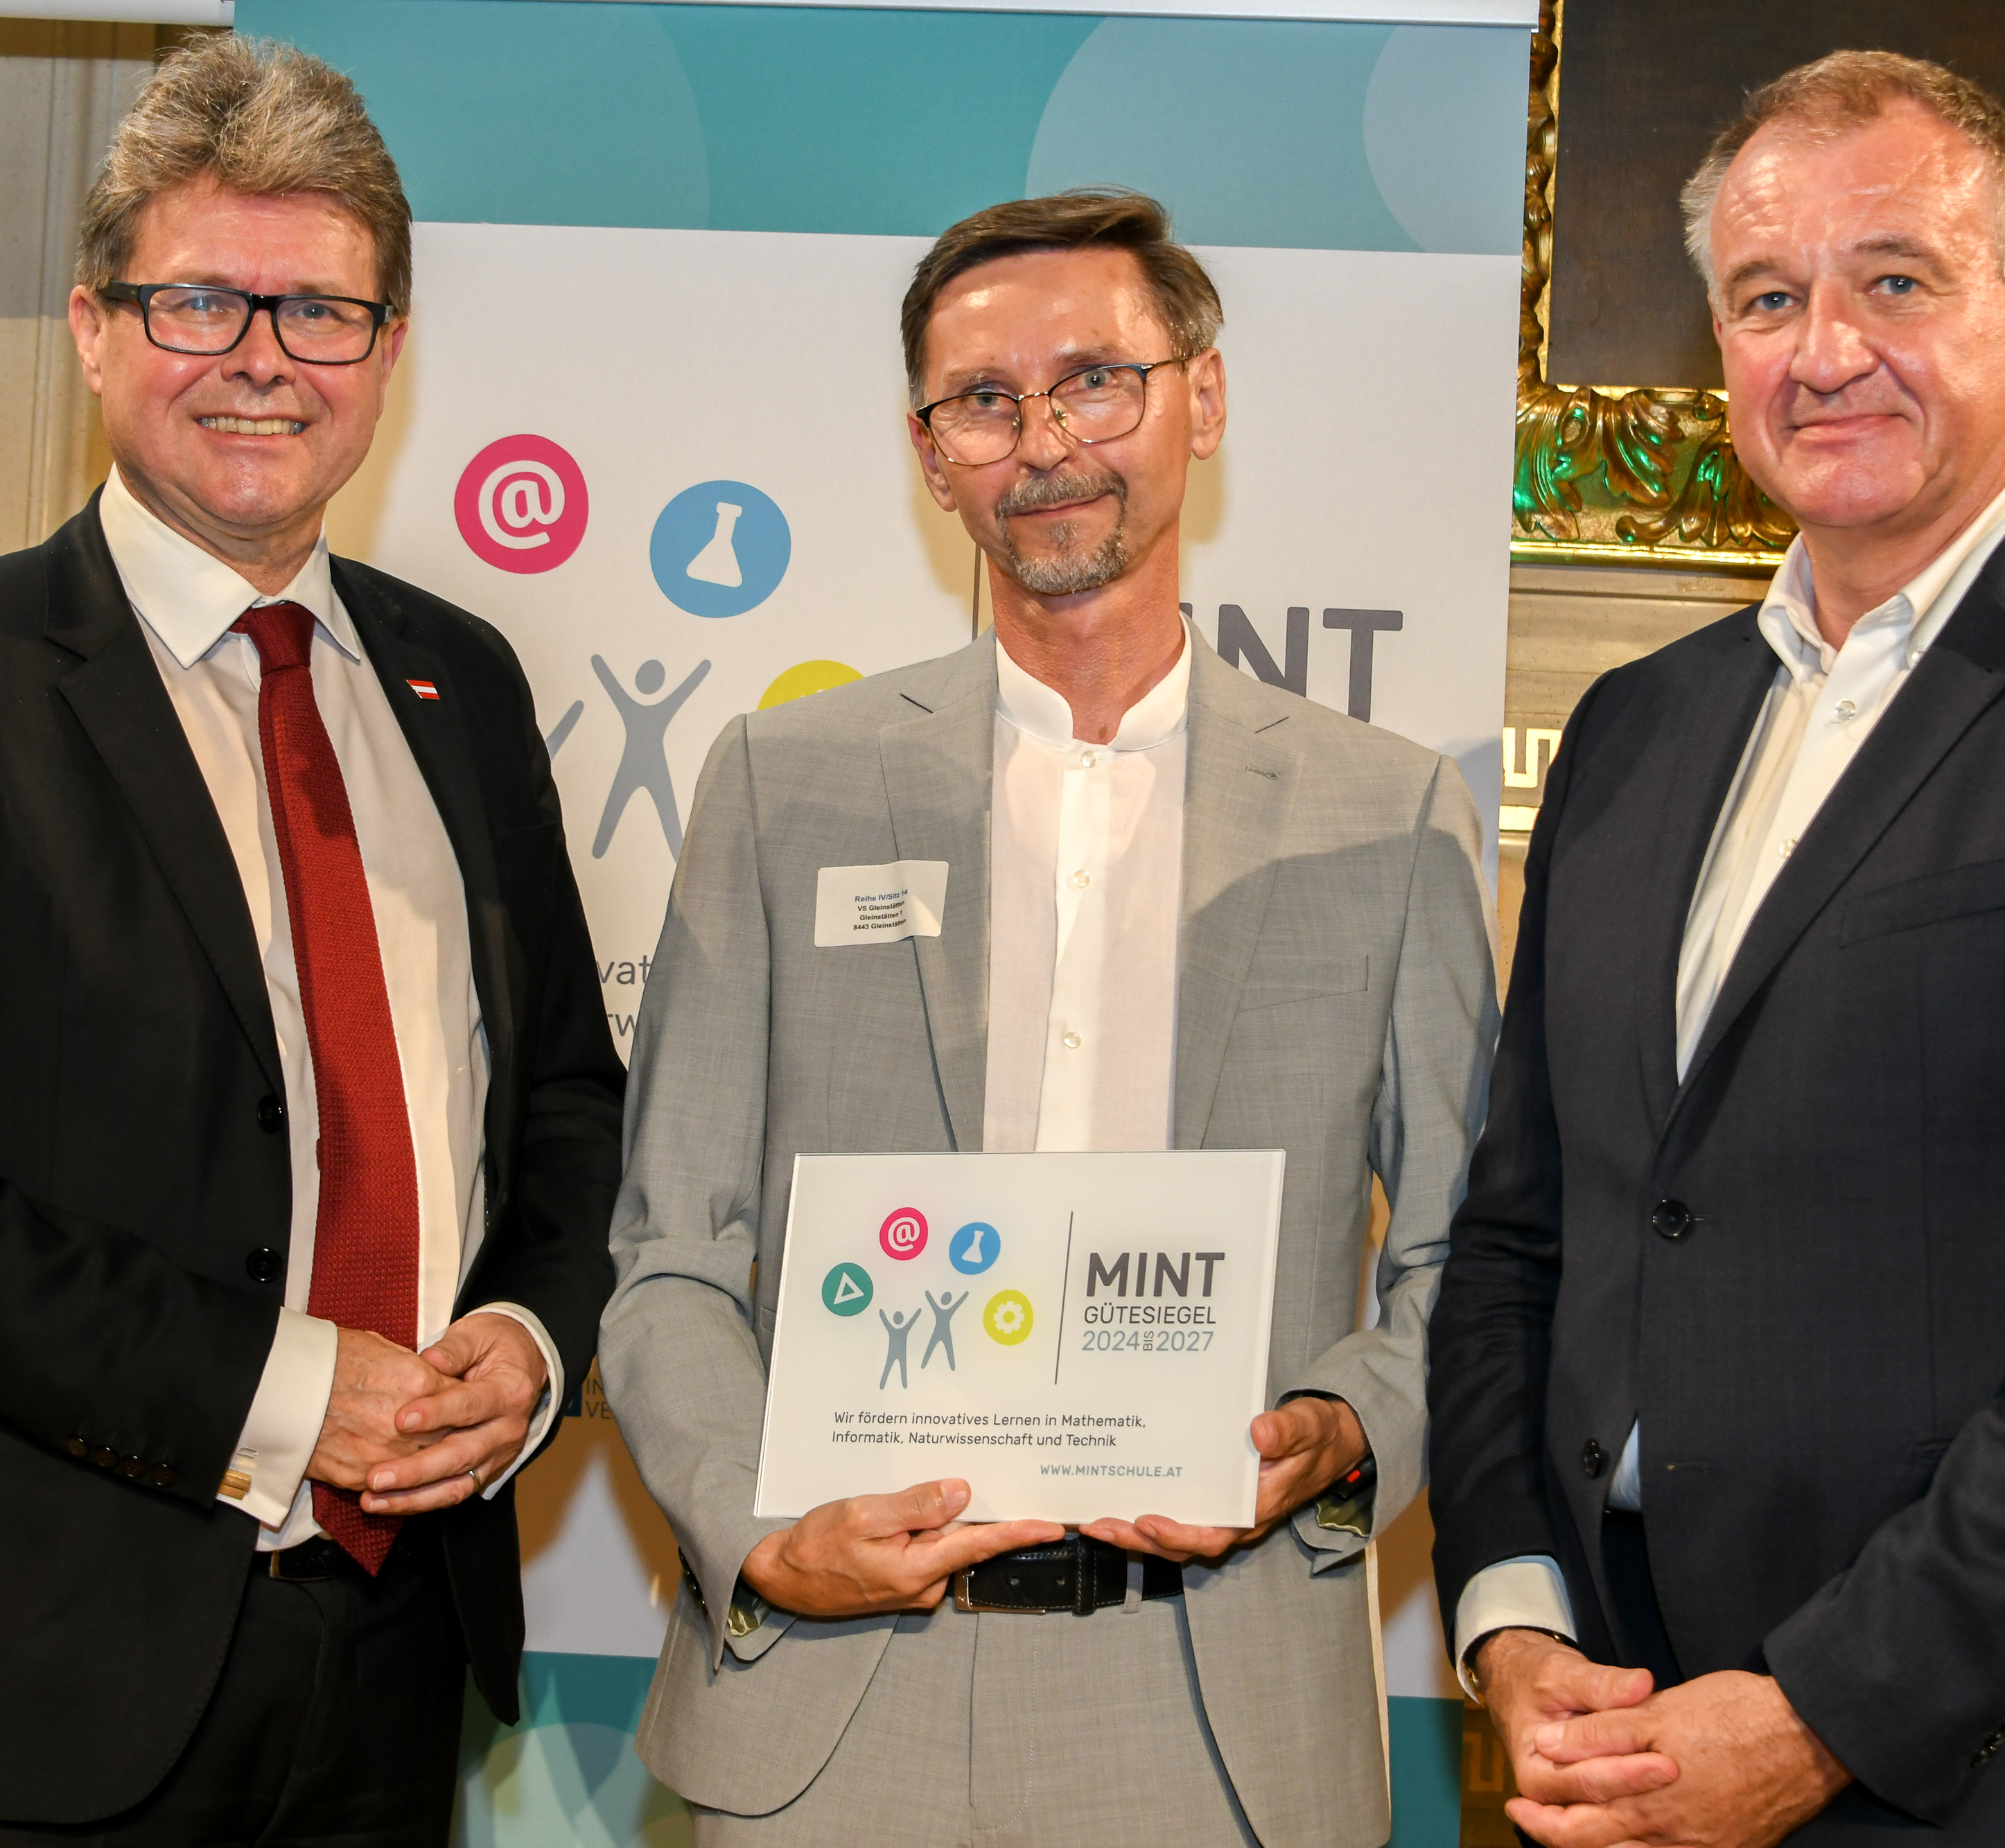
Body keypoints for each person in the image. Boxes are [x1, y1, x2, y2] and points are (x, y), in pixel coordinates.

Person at [1427, 50, 2005, 1848]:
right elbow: (1521, 1239)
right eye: (1765, 297)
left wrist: (1822, 1711)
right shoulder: (1634, 729)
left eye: (1893, 280)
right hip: (1626, 1744)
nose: (1824, 349)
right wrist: (1512, 1611)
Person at [0, 36, 622, 1845]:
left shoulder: (463, 683)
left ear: (388, 349)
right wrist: (282, 1388)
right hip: (23, 1665)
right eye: (199, 300)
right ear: (93, 326)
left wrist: (533, 1336)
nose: (260, 359)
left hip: (395, 1645)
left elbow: (563, 1102)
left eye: (320, 312)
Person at [601, 188, 1498, 1846]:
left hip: (1216, 1716)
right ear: (928, 453)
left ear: (1199, 400)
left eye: (1095, 379)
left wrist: (1341, 1427)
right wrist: (761, 1530)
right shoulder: (781, 784)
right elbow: (671, 1249)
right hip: (837, 1702)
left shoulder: (1386, 817)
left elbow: (1468, 1257)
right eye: (983, 401)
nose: (1044, 442)